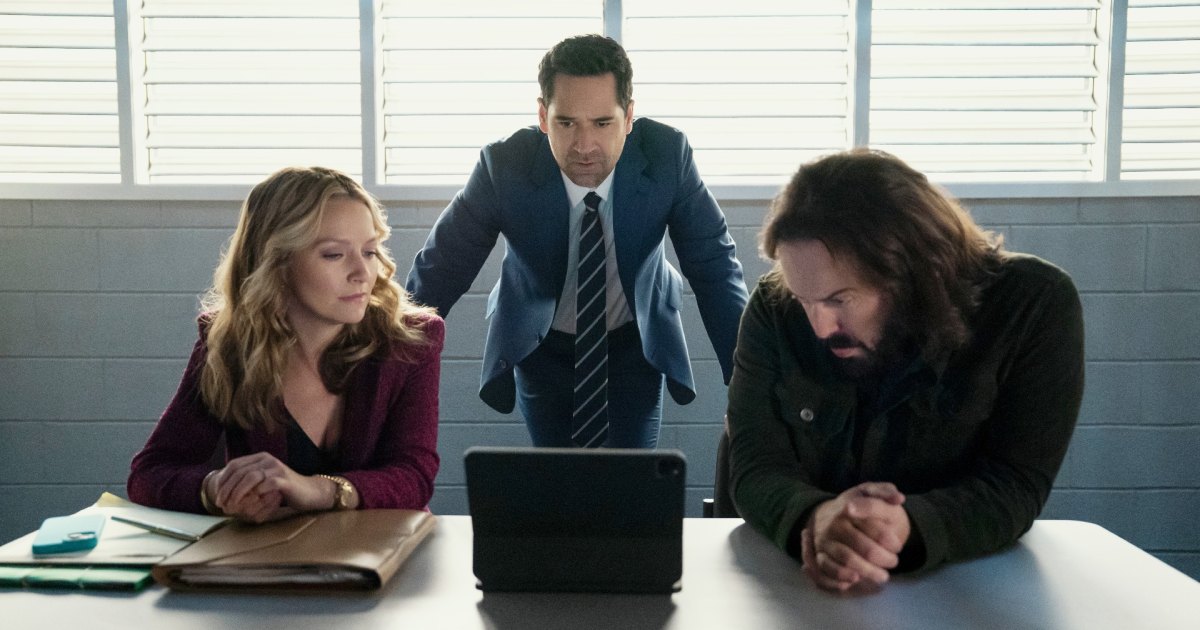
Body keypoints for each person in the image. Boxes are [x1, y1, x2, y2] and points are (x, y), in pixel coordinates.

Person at [727, 149, 1084, 592]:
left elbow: (1014, 483)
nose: (820, 327)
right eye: (804, 300)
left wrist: (905, 526)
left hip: (968, 591)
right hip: (798, 587)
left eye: (840, 300)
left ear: (918, 275)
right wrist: (816, 518)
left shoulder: (1034, 305)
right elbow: (756, 464)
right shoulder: (772, 307)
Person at [405, 34, 748, 448]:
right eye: (566, 123)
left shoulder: (666, 156)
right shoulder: (504, 166)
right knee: (560, 478)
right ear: (543, 116)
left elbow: (714, 267)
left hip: (633, 343)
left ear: (629, 116)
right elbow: (440, 268)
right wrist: (383, 361)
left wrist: (752, 384)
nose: (584, 147)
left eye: (602, 123)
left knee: (629, 478)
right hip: (542, 344)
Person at [128, 166, 444, 522]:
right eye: (334, 254)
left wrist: (319, 490)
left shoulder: (412, 339)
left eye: (370, 251)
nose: (362, 272)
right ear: (276, 262)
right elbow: (148, 474)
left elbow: (414, 477)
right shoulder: (229, 342)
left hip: (384, 550)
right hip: (269, 551)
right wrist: (217, 489)